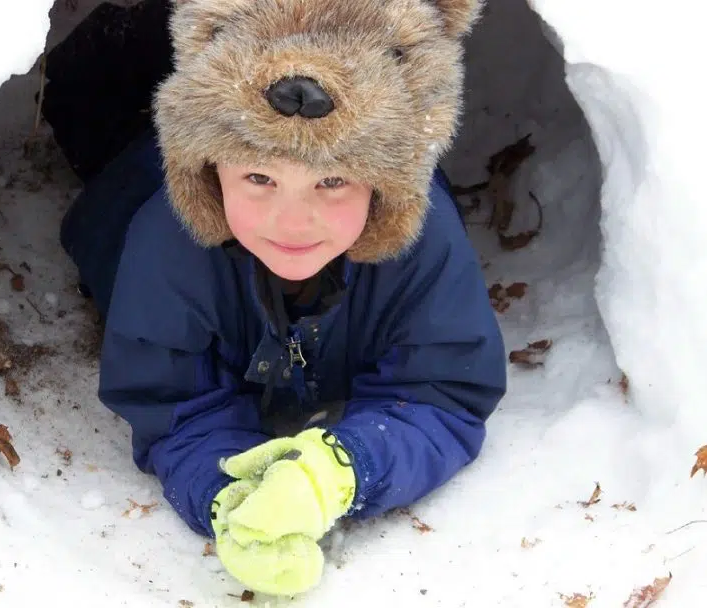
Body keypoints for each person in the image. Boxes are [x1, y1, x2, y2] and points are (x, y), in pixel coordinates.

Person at [55, 0, 506, 597]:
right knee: (91, 96)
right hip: (125, 167)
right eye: (260, 178)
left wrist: (344, 469)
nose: (293, 222)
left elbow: (443, 389)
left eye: (333, 180)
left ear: (386, 182)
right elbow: (172, 403)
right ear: (214, 172)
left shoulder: (422, 238)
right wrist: (226, 494)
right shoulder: (166, 241)